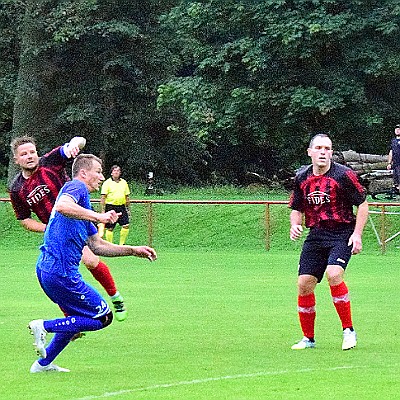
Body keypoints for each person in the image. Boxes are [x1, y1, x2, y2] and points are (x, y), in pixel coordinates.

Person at [28, 154, 157, 373]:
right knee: (103, 316)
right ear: (83, 172)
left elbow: (97, 246)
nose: (101, 176)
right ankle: (44, 326)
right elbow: (61, 206)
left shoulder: (84, 205)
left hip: (49, 269)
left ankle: (43, 364)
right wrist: (99, 217)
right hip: (61, 272)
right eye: (98, 171)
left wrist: (133, 250)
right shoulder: (76, 187)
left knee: (75, 321)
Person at [9, 136, 127, 321]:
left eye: (32, 152)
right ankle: (70, 319)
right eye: (24, 154)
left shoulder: (49, 162)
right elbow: (24, 220)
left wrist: (74, 145)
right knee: (57, 274)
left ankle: (115, 297)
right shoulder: (17, 189)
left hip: (78, 218)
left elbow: (79, 141)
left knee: (90, 260)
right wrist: (48, 228)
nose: (30, 156)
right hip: (57, 235)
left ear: (37, 153)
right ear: (16, 159)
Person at [289, 133, 368, 351]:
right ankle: (308, 339)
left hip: (342, 232)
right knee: (304, 284)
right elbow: (296, 207)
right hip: (316, 235)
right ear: (310, 152)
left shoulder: (343, 175)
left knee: (334, 274)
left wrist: (357, 234)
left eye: (328, 149)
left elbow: (362, 204)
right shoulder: (302, 177)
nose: (324, 152)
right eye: (319, 148)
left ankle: (348, 331)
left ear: (331, 153)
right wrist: (295, 224)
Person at [100, 165, 131, 245]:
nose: (116, 172)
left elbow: (127, 196)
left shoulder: (124, 182)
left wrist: (128, 208)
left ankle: (121, 244)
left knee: (126, 225)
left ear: (120, 173)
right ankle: (110, 245)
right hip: (111, 206)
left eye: (118, 171)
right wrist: (103, 210)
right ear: (111, 173)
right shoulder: (107, 183)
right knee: (110, 227)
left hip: (121, 207)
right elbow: (103, 197)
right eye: (114, 171)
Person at [387, 124, 400, 193]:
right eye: (396, 129)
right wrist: (389, 163)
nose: (397, 130)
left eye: (399, 129)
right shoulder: (393, 141)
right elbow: (391, 152)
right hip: (395, 164)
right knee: (396, 179)